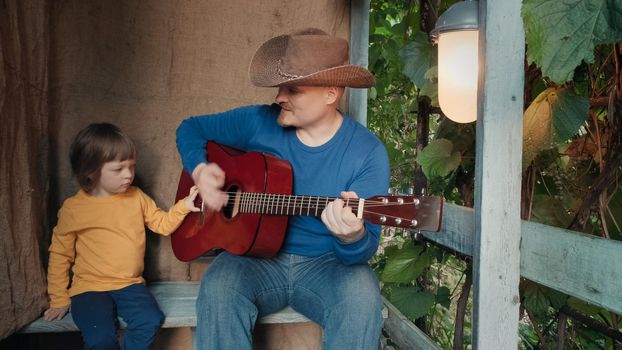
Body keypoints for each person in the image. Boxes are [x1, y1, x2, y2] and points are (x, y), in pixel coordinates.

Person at [176, 28, 390, 349]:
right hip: (255, 260)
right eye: (280, 87)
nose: (279, 97)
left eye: (293, 89)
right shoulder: (258, 122)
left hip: (326, 265)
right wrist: (201, 168)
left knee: (362, 295)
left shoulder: (367, 152)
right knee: (219, 285)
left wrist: (351, 237)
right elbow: (191, 128)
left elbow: (365, 249)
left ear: (331, 94)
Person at [44, 122, 200, 350]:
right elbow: (60, 254)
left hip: (130, 285)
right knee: (100, 338)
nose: (128, 175)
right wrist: (58, 298)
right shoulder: (73, 208)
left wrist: (184, 205)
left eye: (132, 166)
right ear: (90, 172)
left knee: (150, 320)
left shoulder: (136, 197)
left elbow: (163, 225)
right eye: (118, 169)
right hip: (88, 288)